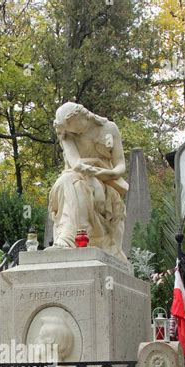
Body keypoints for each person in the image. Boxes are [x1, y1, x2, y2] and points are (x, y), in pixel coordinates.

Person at [49, 101, 129, 261]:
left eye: (75, 126)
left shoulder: (109, 128)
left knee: (73, 183)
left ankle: (70, 237)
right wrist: (91, 178)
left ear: (82, 115)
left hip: (105, 180)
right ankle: (68, 237)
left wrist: (108, 172)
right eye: (70, 130)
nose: (75, 132)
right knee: (70, 181)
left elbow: (120, 164)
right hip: (76, 176)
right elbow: (75, 163)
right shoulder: (66, 133)